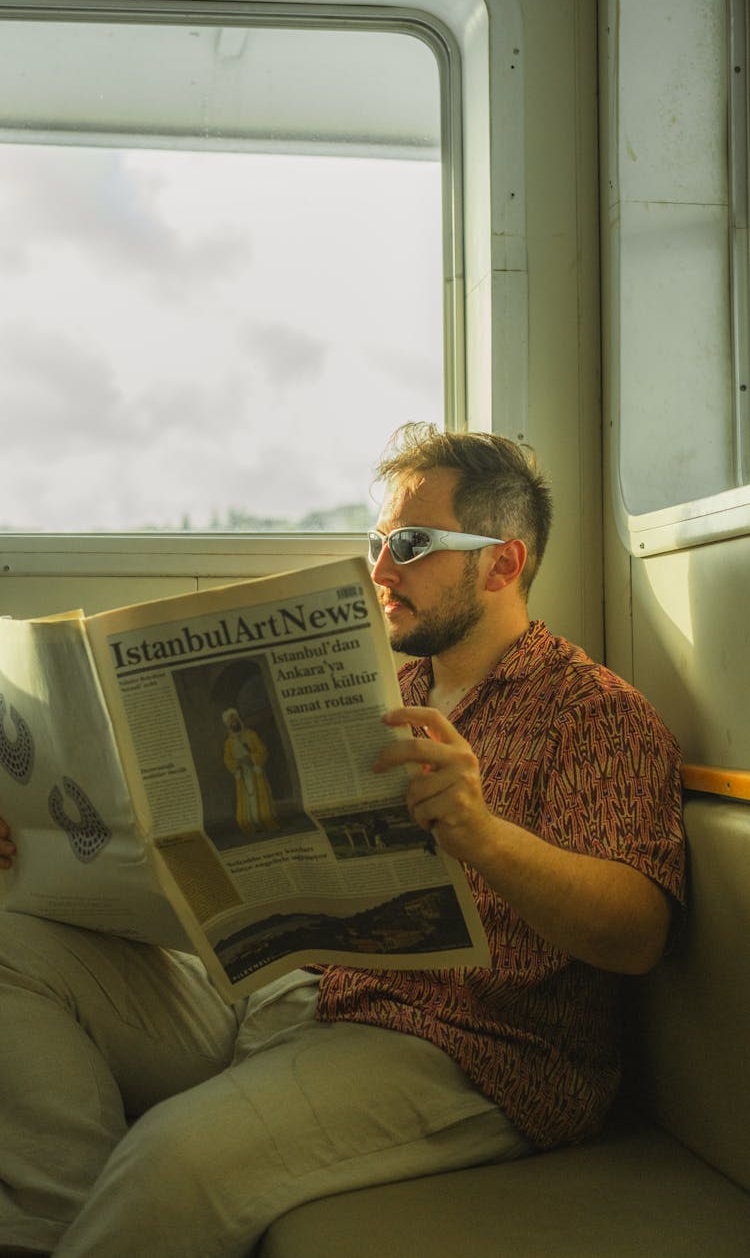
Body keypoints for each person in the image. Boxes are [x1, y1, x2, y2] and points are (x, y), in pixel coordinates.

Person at [0, 423, 685, 1258]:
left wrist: (481, 834)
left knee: (170, 1161)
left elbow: (638, 933)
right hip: (298, 990)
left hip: (470, 1044)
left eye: (409, 542)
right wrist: (47, 844)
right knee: (11, 943)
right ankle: (57, 1227)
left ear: (502, 563)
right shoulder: (377, 687)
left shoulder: (596, 713)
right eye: (377, 541)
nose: (380, 568)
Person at [221, 707, 278, 834]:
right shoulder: (229, 742)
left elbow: (262, 750)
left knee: (260, 796)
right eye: (231, 722)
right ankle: (252, 825)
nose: (234, 723)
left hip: (254, 769)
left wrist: (251, 758)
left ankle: (265, 822)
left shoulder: (251, 734)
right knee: (246, 800)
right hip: (242, 773)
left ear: (239, 720)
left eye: (235, 720)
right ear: (228, 725)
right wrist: (238, 764)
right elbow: (228, 759)